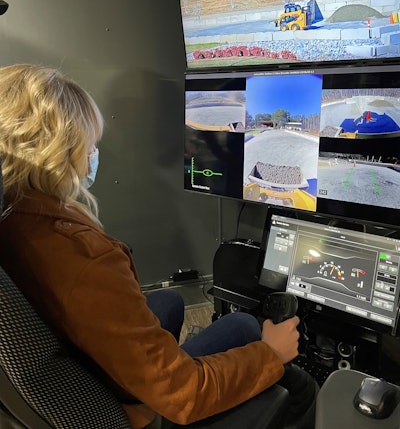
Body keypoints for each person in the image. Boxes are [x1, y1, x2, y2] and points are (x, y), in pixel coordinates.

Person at [0, 64, 313, 429]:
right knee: (249, 331)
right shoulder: (85, 259)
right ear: (59, 153)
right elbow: (185, 394)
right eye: (89, 145)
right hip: (133, 410)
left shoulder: (13, 213)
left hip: (90, 372)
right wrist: (271, 354)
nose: (93, 154)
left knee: (170, 301)